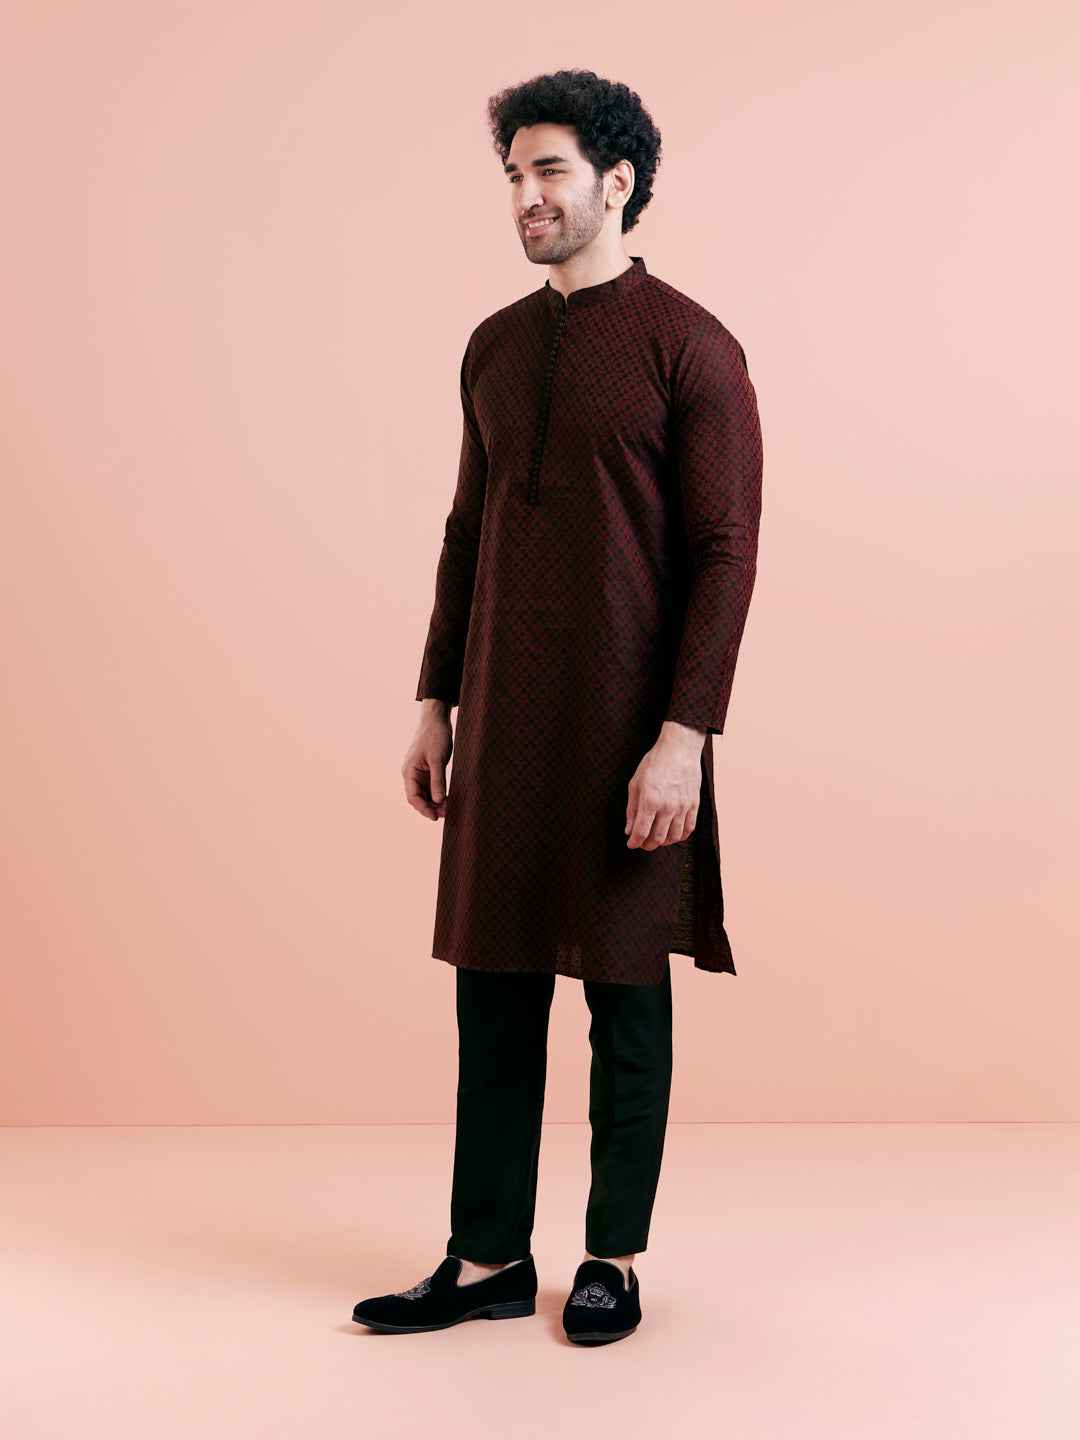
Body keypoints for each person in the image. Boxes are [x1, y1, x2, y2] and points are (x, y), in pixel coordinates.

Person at [352, 67, 763, 1345]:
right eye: (514, 175)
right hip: (503, 715)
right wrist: (435, 698)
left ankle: (612, 1258)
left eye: (549, 172)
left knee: (626, 996)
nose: (526, 196)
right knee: (493, 991)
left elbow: (725, 552)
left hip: (633, 728)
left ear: (617, 183)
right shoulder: (494, 344)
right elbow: (465, 530)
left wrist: (685, 738)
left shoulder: (692, 347)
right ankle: (486, 1256)